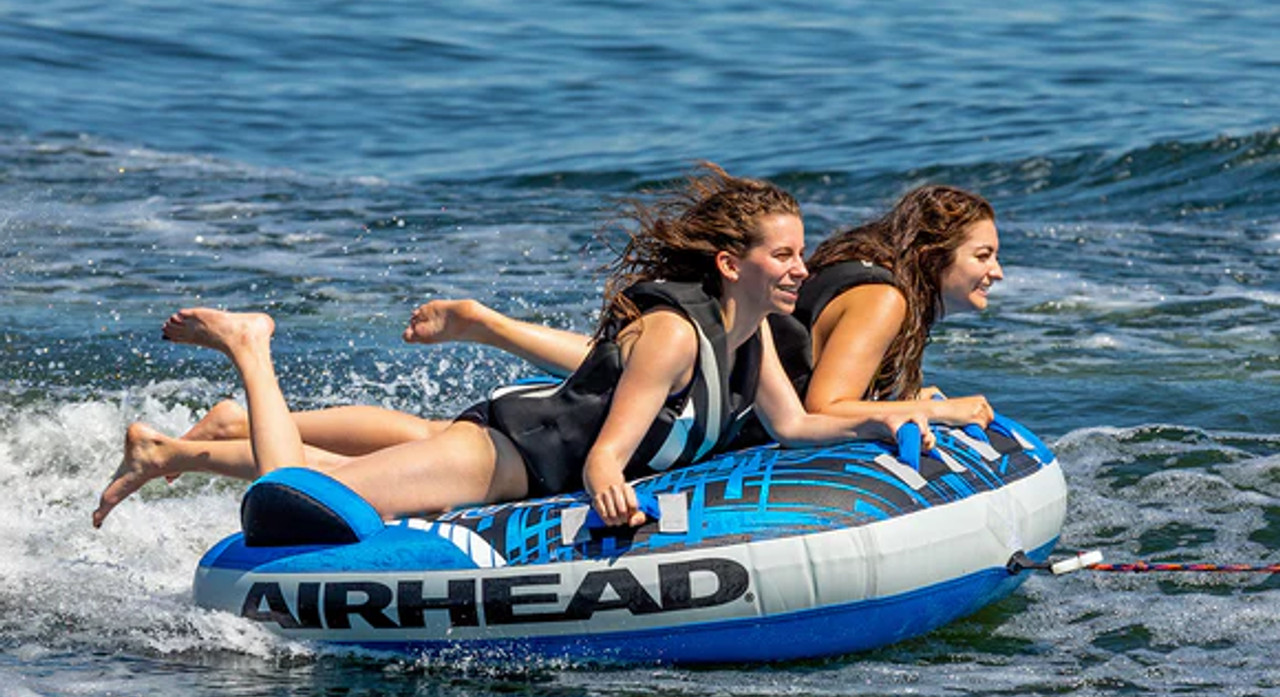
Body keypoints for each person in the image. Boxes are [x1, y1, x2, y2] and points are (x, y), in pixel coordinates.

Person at [93, 167, 933, 530]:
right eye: (783, 256)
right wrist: (614, 501)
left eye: (800, 254)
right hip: (504, 459)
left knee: (339, 476)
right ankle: (250, 347)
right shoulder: (676, 335)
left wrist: (893, 420)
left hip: (533, 464)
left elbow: (796, 425)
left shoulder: (754, 338)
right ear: (729, 263)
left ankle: (176, 450)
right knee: (300, 504)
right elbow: (606, 459)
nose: (801, 270)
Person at [161, 183, 1002, 468]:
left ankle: (206, 440)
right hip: (638, 422)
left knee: (425, 441)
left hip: (675, 406)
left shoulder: (785, 309)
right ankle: (242, 382)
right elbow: (826, 403)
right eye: (984, 254)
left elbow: (799, 411)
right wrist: (923, 409)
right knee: (344, 479)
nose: (996, 272)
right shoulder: (886, 298)